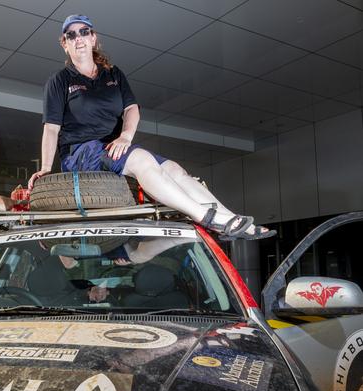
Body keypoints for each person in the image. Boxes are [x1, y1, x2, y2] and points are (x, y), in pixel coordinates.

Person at [28, 14, 275, 241]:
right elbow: (51, 128)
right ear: (64, 44)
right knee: (143, 160)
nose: (78, 38)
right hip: (80, 152)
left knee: (175, 170)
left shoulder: (113, 74)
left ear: (93, 38)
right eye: (71, 35)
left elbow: (131, 109)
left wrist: (125, 136)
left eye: (83, 32)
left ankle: (230, 219)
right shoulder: (59, 81)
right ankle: (206, 218)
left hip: (114, 148)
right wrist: (47, 168)